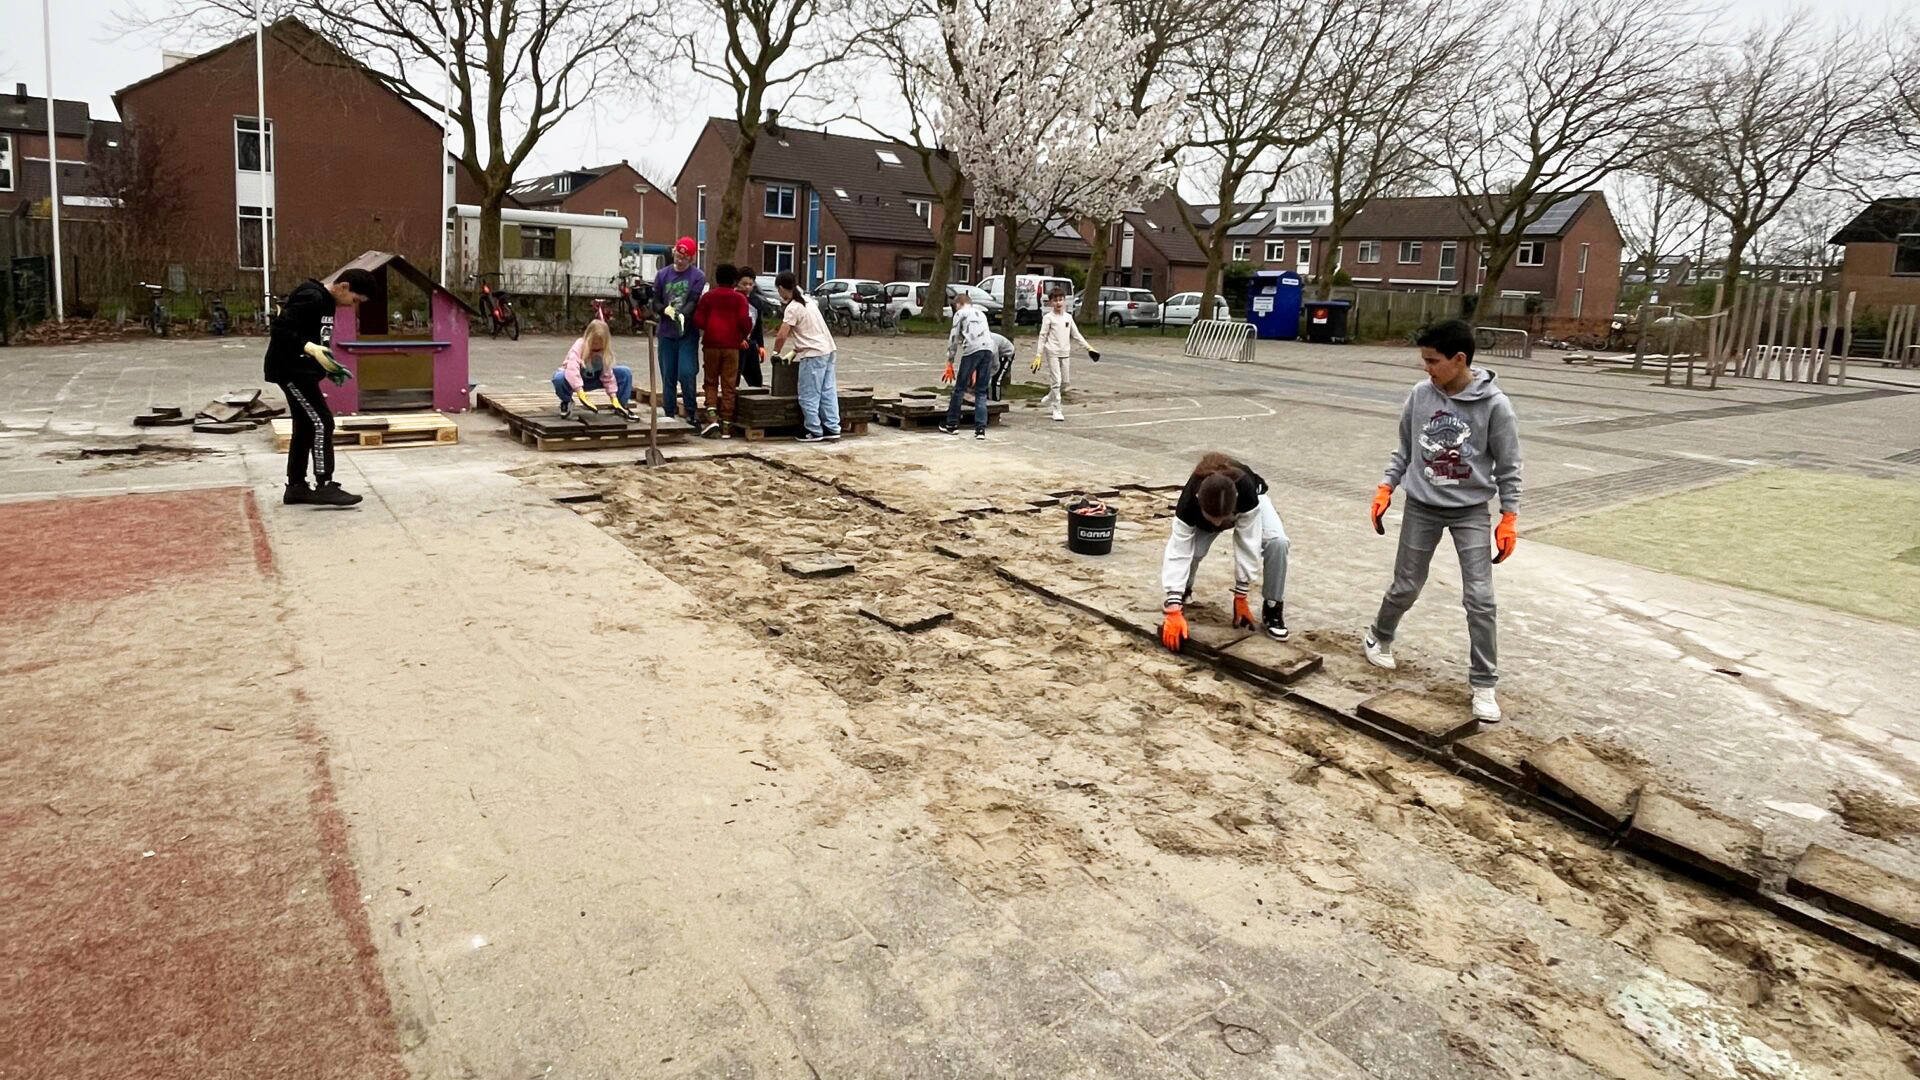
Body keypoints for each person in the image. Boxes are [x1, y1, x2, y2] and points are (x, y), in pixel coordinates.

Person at [1363, 319, 1523, 723]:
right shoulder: (1420, 396)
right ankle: (1379, 636)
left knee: (1481, 599)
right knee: (1406, 586)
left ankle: (1484, 684)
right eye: (1424, 360)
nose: (1426, 368)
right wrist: (1386, 487)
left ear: (1459, 359)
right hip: (1422, 504)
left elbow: (1509, 466)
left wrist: (1509, 517)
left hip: (1470, 511)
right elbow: (1404, 448)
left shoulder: (1495, 406)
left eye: (1433, 361)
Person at [264, 268, 374, 508]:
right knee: (322, 421)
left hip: (304, 370)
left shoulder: (327, 302)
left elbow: (319, 339)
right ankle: (325, 484)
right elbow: (280, 329)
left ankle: (296, 487)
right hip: (290, 369)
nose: (353, 306)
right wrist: (308, 348)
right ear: (343, 287)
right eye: (355, 300)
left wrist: (328, 366)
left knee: (305, 424)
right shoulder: (312, 297)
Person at [1157, 454, 1291, 651]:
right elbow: (1179, 551)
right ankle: (1181, 592)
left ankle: (1273, 605)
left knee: (1278, 543)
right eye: (1213, 519)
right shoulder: (1188, 503)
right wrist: (1173, 608)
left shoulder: (1245, 493)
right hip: (1210, 510)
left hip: (1252, 500)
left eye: (1223, 519)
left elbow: (1248, 542)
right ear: (1199, 502)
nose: (1219, 525)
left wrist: (1241, 595)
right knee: (1194, 551)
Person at [770, 271, 840, 442]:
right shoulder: (809, 301)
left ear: (781, 288)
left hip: (814, 355)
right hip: (828, 351)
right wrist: (794, 351)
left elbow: (782, 335)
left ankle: (814, 430)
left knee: (809, 394)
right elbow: (809, 331)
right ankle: (832, 427)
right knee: (828, 392)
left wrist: (775, 353)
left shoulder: (793, 307)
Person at [694, 263, 756, 437]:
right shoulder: (740, 299)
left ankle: (712, 417)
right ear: (735, 280)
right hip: (732, 347)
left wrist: (709, 327)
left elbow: (698, 320)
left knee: (711, 381)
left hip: (711, 345)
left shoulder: (708, 297)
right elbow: (746, 322)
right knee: (729, 384)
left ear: (717, 278)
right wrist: (742, 335)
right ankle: (727, 425)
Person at [651, 237, 706, 422]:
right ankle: (669, 413)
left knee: (687, 372)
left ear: (691, 259)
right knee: (669, 375)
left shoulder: (697, 276)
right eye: (677, 255)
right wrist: (665, 310)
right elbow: (655, 301)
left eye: (684, 258)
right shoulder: (662, 275)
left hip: (686, 333)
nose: (679, 260)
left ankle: (691, 412)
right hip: (667, 333)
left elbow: (693, 299)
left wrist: (683, 314)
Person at [1035, 289, 1097, 421]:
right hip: (1052, 352)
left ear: (1064, 300)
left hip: (1065, 352)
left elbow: (1076, 335)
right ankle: (1057, 408)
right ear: (1051, 302)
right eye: (1055, 300)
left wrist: (1089, 348)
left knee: (1065, 382)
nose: (1058, 303)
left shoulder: (1068, 317)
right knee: (1056, 381)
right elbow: (1042, 337)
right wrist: (1038, 355)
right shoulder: (1048, 318)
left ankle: (1051, 396)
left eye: (1060, 300)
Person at [552, 319, 634, 418]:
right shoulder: (579, 345)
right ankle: (566, 401)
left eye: (599, 345)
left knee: (625, 372)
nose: (596, 348)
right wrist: (580, 392)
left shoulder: (605, 351)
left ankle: (621, 405)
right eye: (593, 344)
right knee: (558, 378)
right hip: (576, 381)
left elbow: (608, 376)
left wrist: (613, 397)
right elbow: (572, 369)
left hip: (596, 379)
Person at [940, 288, 994, 440]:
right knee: (981, 391)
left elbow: (954, 338)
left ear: (959, 304)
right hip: (988, 349)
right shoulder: (981, 313)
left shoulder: (960, 314)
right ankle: (980, 429)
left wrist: (950, 360)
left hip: (972, 350)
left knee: (960, 389)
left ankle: (951, 424)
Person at [736, 269, 768, 389]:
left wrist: (761, 345)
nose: (747, 287)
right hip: (736, 344)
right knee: (735, 376)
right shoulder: (735, 298)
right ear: (737, 283)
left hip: (751, 342)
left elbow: (758, 325)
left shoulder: (756, 301)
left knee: (756, 378)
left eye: (750, 284)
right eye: (744, 284)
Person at [987, 330, 1017, 402]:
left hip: (1007, 354)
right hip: (998, 354)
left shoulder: (991, 341)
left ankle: (996, 401)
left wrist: (991, 373)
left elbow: (995, 363)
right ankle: (987, 398)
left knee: (997, 379)